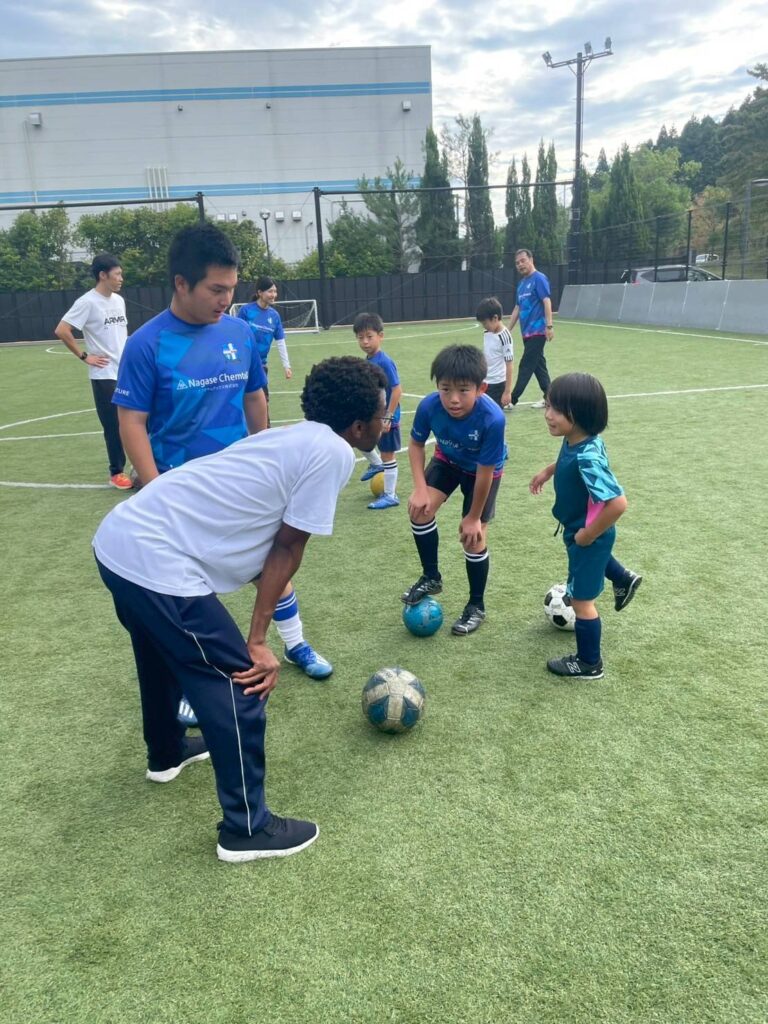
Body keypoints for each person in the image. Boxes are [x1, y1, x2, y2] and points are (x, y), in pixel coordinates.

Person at [94, 356, 388, 862]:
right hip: (154, 560)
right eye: (383, 415)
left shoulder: (288, 438)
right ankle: (246, 829)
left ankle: (166, 753)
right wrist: (256, 642)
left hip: (116, 541)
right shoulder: (334, 453)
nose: (388, 422)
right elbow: (287, 547)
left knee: (160, 655)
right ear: (359, 426)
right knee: (240, 686)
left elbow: (258, 534)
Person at [114, 224, 333, 715]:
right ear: (181, 283)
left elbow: (255, 398)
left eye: (231, 288)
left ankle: (295, 643)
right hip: (179, 495)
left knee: (270, 566)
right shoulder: (147, 345)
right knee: (185, 595)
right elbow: (132, 422)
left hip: (240, 489)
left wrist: (269, 463)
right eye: (216, 289)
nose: (226, 299)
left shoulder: (238, 332)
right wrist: (156, 492)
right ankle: (193, 681)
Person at [529, 372, 642, 679]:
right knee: (591, 563)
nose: (548, 414)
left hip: (589, 534)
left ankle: (589, 663)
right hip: (580, 530)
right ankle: (623, 578)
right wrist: (549, 471)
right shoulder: (578, 441)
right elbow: (569, 460)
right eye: (547, 405)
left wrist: (588, 534)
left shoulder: (587, 458)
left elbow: (617, 503)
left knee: (581, 602)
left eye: (556, 409)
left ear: (579, 414)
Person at [402, 344, 506, 635]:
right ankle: (431, 577)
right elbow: (416, 445)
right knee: (419, 511)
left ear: (481, 388)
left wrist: (473, 518)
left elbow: (485, 473)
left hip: (482, 472)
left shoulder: (493, 419)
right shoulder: (429, 406)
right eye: (445, 389)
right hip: (447, 460)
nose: (453, 399)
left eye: (463, 390)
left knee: (472, 537)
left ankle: (476, 605)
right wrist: (420, 488)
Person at [55, 253, 131, 489]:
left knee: (140, 419)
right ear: (103, 275)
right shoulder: (87, 302)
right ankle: (116, 472)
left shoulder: (119, 301)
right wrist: (84, 356)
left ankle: (144, 464)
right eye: (117, 274)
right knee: (113, 425)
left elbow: (121, 335)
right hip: (104, 374)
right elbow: (62, 330)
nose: (121, 278)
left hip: (125, 371)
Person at [353, 312, 402, 509]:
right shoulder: (368, 360)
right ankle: (376, 464)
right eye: (360, 337)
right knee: (357, 436)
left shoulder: (384, 362)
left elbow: (397, 390)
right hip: (373, 416)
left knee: (388, 454)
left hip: (386, 417)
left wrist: (388, 416)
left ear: (380, 336)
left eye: (369, 336)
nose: (365, 342)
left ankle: (390, 495)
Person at [236, 275, 292, 421]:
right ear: (260, 292)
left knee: (262, 402)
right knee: (239, 401)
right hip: (243, 366)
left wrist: (286, 366)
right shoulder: (246, 311)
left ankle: (264, 429)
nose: (274, 295)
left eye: (275, 291)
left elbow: (280, 341)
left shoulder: (274, 316)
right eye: (270, 291)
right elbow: (236, 337)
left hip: (260, 366)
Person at [507, 248, 553, 410]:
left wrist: (549, 326)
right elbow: (517, 308)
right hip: (526, 333)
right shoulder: (521, 285)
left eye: (523, 261)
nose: (520, 265)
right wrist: (507, 330)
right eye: (517, 263)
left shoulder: (539, 279)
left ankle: (512, 399)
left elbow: (546, 301)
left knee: (526, 365)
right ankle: (550, 397)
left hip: (538, 331)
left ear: (531, 260)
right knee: (539, 366)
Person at [475, 296, 514, 410]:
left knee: (494, 415)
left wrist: (507, 391)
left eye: (485, 323)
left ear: (495, 318)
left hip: (497, 385)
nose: (484, 326)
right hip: (485, 382)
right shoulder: (487, 332)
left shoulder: (505, 337)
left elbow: (509, 365)